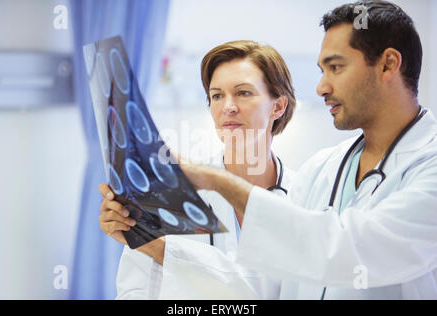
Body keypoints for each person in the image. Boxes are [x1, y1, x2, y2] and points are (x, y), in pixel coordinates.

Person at [180, 1, 437, 299]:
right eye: (322, 70)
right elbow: (264, 285)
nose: (321, 87)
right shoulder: (322, 169)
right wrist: (152, 243)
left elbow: (351, 249)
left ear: (388, 64)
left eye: (336, 67)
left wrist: (217, 181)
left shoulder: (428, 166)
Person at [98, 40, 297, 299]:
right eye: (217, 95)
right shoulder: (165, 195)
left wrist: (162, 249)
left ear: (278, 106)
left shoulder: (304, 197)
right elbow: (133, 292)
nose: (228, 106)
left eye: (243, 93)